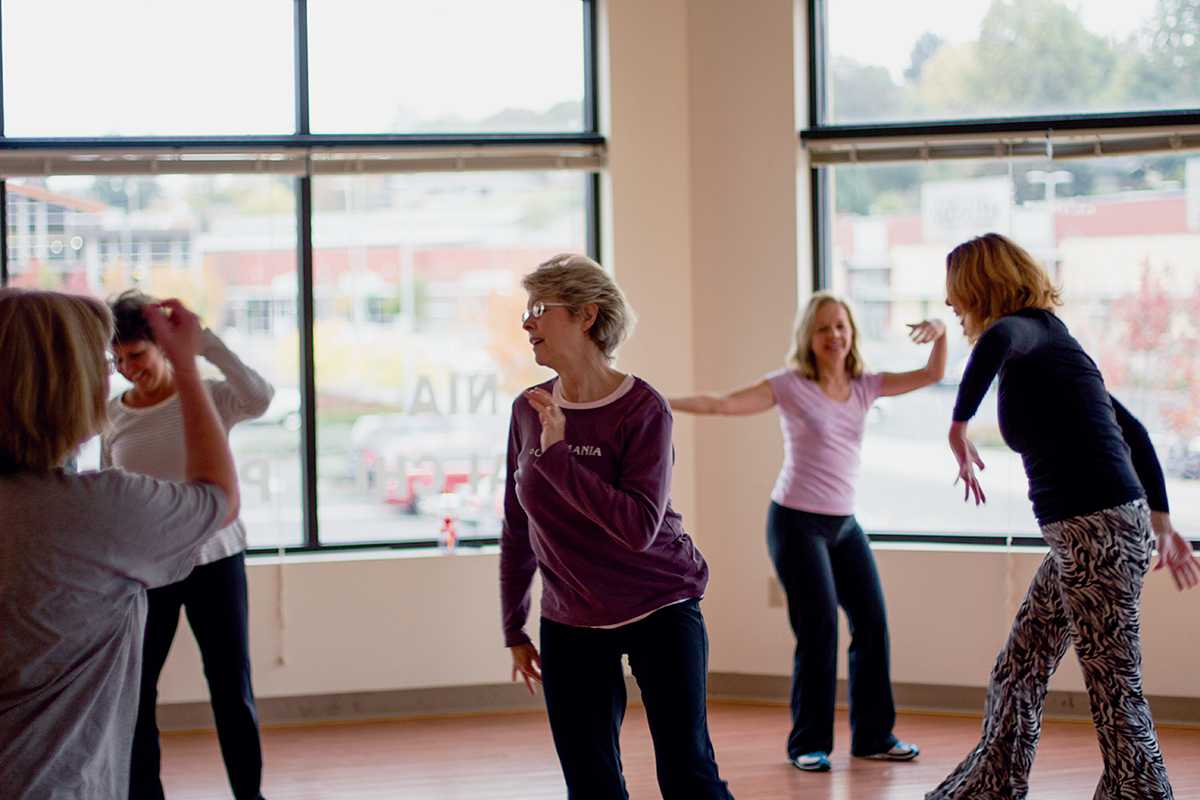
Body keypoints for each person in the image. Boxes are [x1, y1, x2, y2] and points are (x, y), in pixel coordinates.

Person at [930, 233, 1199, 800]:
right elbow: (1139, 433)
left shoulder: (1025, 331)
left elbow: (1000, 334)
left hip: (1096, 534)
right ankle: (990, 787)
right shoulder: (1053, 347)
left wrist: (959, 423)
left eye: (957, 294)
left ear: (981, 286)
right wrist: (1162, 523)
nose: (952, 307)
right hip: (1090, 536)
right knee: (1019, 667)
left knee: (1113, 688)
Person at [670, 291, 945, 772]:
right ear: (808, 337)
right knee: (818, 631)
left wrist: (940, 334)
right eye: (823, 328)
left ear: (851, 332)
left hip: (844, 523)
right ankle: (808, 743)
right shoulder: (790, 385)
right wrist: (656, 401)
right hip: (795, 522)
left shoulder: (866, 384)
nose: (834, 335)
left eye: (841, 326)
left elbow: (932, 375)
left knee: (873, 625)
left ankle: (874, 735)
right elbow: (720, 404)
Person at [500, 254, 734, 800]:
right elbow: (517, 522)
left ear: (585, 315)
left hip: (661, 605)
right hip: (571, 618)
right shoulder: (527, 409)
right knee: (590, 782)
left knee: (687, 774)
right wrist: (514, 625)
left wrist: (559, 458)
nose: (527, 322)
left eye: (539, 309)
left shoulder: (643, 408)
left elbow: (637, 527)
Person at [0, 290, 239, 800]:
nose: (115, 374)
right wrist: (189, 368)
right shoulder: (95, 511)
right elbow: (218, 496)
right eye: (105, 364)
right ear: (69, 390)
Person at [102, 290, 273, 800]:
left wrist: (203, 344)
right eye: (119, 360)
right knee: (137, 694)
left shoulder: (210, 396)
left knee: (231, 690)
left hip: (216, 561)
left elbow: (260, 397)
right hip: (146, 571)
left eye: (137, 355)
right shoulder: (112, 414)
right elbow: (112, 491)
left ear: (160, 347)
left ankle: (250, 796)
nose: (129, 369)